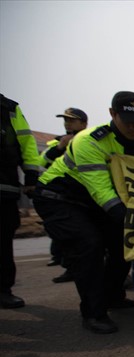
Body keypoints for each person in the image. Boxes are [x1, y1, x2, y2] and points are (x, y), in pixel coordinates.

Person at [33, 91, 134, 334]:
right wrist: (130, 219)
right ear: (112, 114)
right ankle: (93, 313)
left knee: (123, 245)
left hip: (94, 204)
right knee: (89, 245)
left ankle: (112, 296)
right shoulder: (89, 140)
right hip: (62, 198)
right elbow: (101, 190)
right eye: (128, 121)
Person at [0, 94, 43, 309]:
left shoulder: (8, 108)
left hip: (4, 185)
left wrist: (31, 175)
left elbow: (26, 142)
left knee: (3, 240)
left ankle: (3, 290)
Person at [41, 107, 89, 282]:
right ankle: (70, 269)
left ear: (83, 123)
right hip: (63, 194)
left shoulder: (91, 140)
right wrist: (60, 146)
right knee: (67, 237)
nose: (68, 123)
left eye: (72, 120)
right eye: (66, 120)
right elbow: (42, 162)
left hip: (85, 194)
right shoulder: (56, 142)